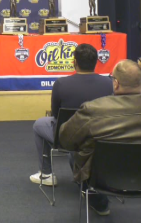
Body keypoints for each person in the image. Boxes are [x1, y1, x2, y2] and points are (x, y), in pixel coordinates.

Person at [59, 60, 141, 217]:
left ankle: (100, 203)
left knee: (75, 153)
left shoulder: (94, 108)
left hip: (104, 180)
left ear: (116, 83)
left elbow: (66, 140)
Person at [30, 44, 113, 186]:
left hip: (67, 138)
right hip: (101, 136)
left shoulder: (61, 84)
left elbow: (56, 115)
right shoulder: (109, 83)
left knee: (39, 124)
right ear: (96, 62)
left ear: (74, 62)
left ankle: (46, 174)